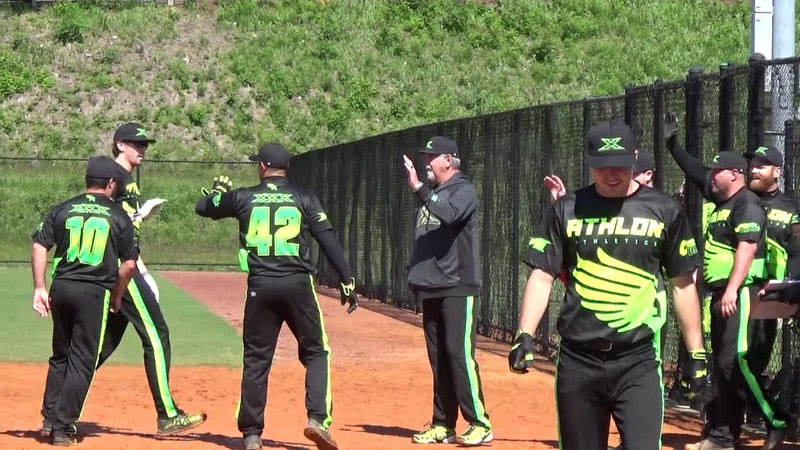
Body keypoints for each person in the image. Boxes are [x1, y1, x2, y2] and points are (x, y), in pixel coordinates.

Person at [509, 119, 707, 450]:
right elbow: (542, 275)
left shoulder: (664, 210)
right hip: (578, 360)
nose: (612, 174)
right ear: (589, 162)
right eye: (602, 166)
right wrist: (524, 334)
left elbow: (683, 285)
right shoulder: (567, 209)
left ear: (635, 158)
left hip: (638, 360)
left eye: (620, 165)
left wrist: (697, 353)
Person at [39, 123, 207, 437]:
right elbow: (110, 222)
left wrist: (142, 252)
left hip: (118, 266)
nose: (143, 149)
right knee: (156, 333)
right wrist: (139, 226)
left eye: (145, 144)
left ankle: (55, 410)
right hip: (116, 268)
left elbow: (123, 228)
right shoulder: (113, 177)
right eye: (136, 144)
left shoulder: (123, 177)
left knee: (104, 342)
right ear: (119, 145)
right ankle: (168, 414)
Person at [195, 142, 358, 450]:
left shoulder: (244, 197)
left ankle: (252, 434)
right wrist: (346, 279)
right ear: (286, 168)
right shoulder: (304, 198)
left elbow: (204, 207)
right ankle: (317, 419)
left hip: (261, 286)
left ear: (262, 167)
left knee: (256, 358)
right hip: (298, 285)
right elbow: (328, 240)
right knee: (316, 351)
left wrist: (216, 193)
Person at [32, 156, 139, 446]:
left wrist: (39, 287)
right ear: (111, 183)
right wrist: (117, 293)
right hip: (93, 292)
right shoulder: (117, 215)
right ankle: (62, 428)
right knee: (82, 360)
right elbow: (130, 264)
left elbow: (40, 244)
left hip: (61, 288)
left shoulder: (63, 208)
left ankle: (49, 419)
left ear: (87, 180)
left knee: (61, 354)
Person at [685, 152, 788, 450]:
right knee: (724, 367)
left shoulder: (747, 204)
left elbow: (748, 248)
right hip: (722, 295)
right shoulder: (723, 204)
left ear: (733, 174)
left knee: (735, 362)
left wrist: (732, 289)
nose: (711, 176)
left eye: (716, 170)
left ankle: (776, 419)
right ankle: (723, 436)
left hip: (741, 294)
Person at [402, 136, 493, 446]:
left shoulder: (463, 190)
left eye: (433, 157)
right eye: (426, 157)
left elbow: (451, 214)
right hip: (431, 288)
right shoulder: (435, 194)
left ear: (449, 161)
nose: (427, 162)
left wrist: (419, 187)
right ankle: (443, 424)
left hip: (457, 286)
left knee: (458, 354)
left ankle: (480, 422)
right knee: (439, 358)